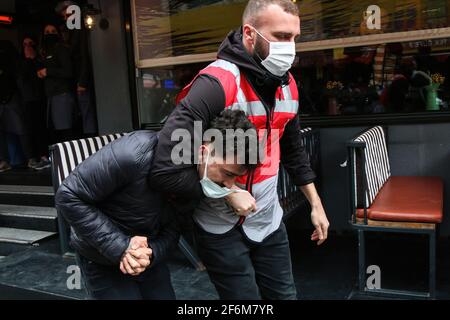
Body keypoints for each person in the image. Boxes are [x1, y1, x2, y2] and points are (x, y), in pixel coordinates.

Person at [149, 0, 330, 300]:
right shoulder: (217, 83)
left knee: (285, 296)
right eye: (282, 37)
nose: (291, 48)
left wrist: (316, 203)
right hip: (218, 225)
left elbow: (293, 150)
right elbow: (166, 165)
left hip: (268, 219)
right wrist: (227, 193)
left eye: (295, 38)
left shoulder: (290, 86)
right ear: (250, 35)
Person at [55, 110, 258, 300]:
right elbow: (69, 195)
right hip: (102, 258)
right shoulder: (134, 153)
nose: (230, 185)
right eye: (228, 174)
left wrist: (150, 253)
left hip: (149, 259)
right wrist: (121, 248)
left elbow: (175, 228)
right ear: (204, 152)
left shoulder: (200, 179)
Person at [56, 0, 98, 136]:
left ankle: (90, 139)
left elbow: (84, 55)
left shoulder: (80, 29)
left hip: (81, 77)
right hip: (77, 77)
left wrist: (83, 81)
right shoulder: (71, 31)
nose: (65, 19)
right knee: (83, 111)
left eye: (67, 15)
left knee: (86, 111)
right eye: (64, 17)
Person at [37, 23, 76, 143]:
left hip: (62, 94)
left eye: (53, 31)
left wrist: (48, 71)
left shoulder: (61, 48)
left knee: (65, 131)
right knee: (55, 131)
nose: (50, 34)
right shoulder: (44, 52)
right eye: (47, 32)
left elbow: (68, 71)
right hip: (51, 95)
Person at [17, 35, 51, 170]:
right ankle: (32, 158)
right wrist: (28, 60)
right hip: (27, 99)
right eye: (25, 44)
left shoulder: (40, 59)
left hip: (41, 97)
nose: (28, 47)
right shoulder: (20, 61)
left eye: (31, 44)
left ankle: (44, 156)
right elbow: (21, 77)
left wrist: (33, 59)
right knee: (29, 129)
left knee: (42, 127)